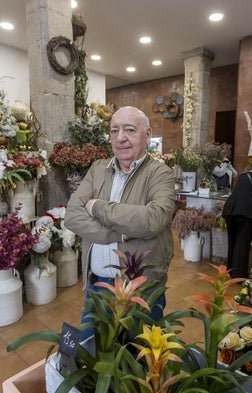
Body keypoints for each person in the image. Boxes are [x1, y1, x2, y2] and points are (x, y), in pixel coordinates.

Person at [64, 106, 175, 338]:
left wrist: (97, 206)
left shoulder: (160, 173)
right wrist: (119, 233)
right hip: (96, 287)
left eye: (130, 130)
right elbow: (72, 216)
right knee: (93, 352)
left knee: (138, 357)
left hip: (139, 289)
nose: (120, 137)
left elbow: (154, 219)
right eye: (114, 130)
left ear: (148, 135)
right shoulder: (97, 169)